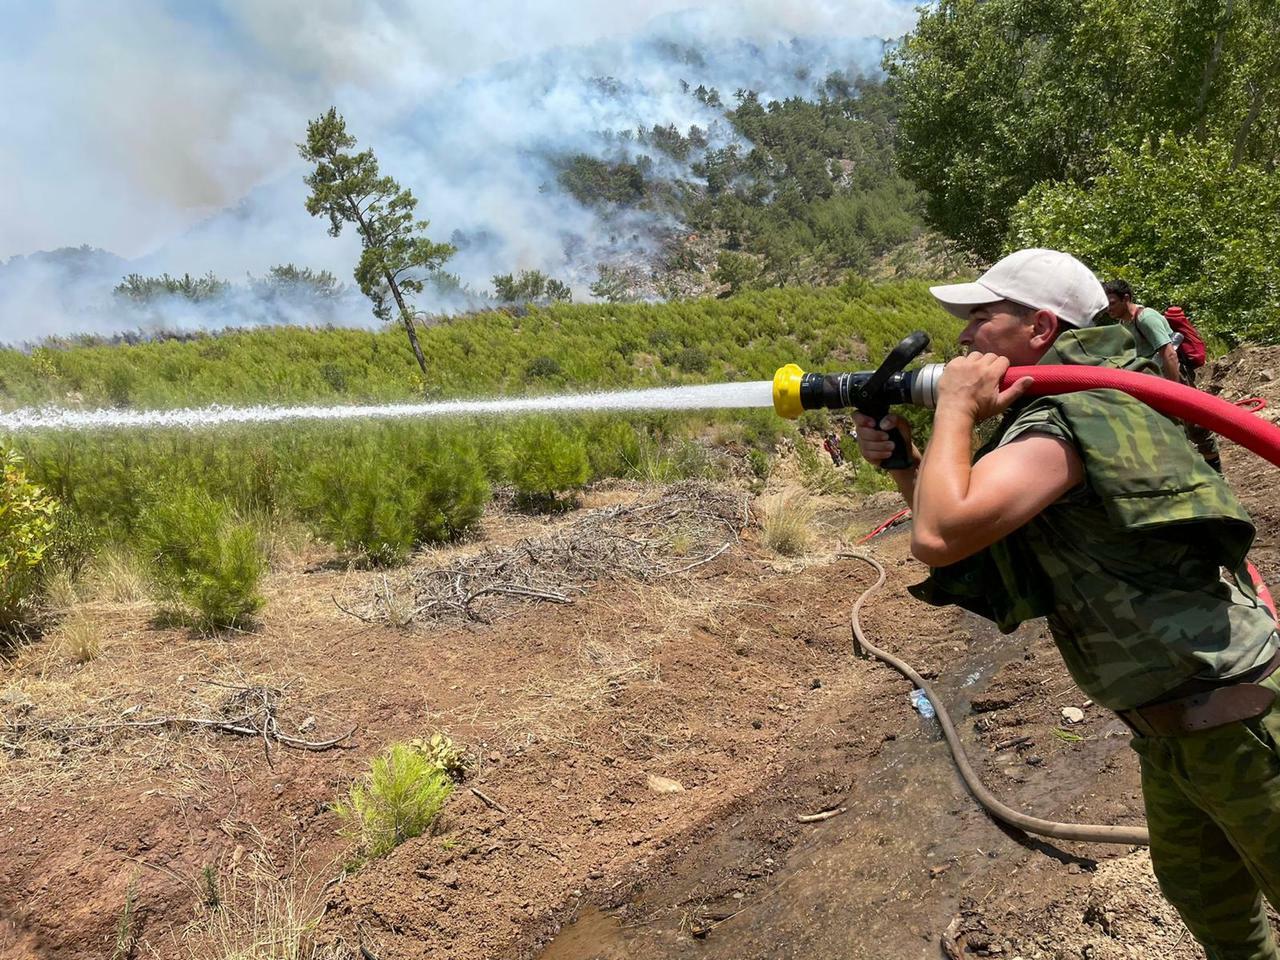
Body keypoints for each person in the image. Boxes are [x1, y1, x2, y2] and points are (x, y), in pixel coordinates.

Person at [854, 248, 1280, 960]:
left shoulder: (1067, 420)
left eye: (981, 317)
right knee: (1215, 910)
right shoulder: (1075, 408)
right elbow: (970, 537)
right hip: (1176, 729)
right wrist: (909, 463)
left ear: (1041, 328)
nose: (963, 336)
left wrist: (955, 407)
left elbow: (938, 535)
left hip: (1233, 722)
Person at [1165, 304, 1223, 473]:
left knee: (1195, 425)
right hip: (1183, 375)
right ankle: (1213, 470)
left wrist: (1173, 386)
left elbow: (1170, 355)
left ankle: (1215, 472)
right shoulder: (1177, 327)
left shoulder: (1154, 323)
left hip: (1179, 377)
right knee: (1193, 425)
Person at [1103, 279, 1181, 383]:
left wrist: (1174, 389)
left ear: (1126, 299)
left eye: (1112, 303)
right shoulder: (1123, 323)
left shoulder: (1146, 319)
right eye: (1106, 305)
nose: (1108, 309)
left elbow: (1170, 355)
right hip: (1148, 379)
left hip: (1165, 379)